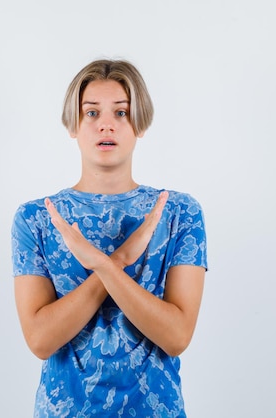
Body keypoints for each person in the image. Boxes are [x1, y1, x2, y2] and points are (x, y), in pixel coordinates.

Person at [11, 59, 208, 417]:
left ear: (140, 124)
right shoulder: (37, 218)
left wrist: (101, 263)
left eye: (121, 112)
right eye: (91, 113)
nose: (106, 124)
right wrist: (117, 261)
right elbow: (40, 340)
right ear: (73, 124)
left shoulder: (178, 213)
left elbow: (177, 336)